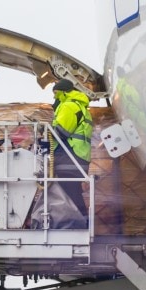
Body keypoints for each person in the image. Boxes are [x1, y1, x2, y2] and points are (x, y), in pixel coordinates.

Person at [50, 78, 93, 215]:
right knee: (72, 191)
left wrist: (44, 131)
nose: (54, 96)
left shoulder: (68, 106)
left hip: (70, 157)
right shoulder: (80, 106)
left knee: (68, 192)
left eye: (55, 93)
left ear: (63, 92)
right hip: (78, 156)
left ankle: (78, 221)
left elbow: (61, 132)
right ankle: (81, 220)